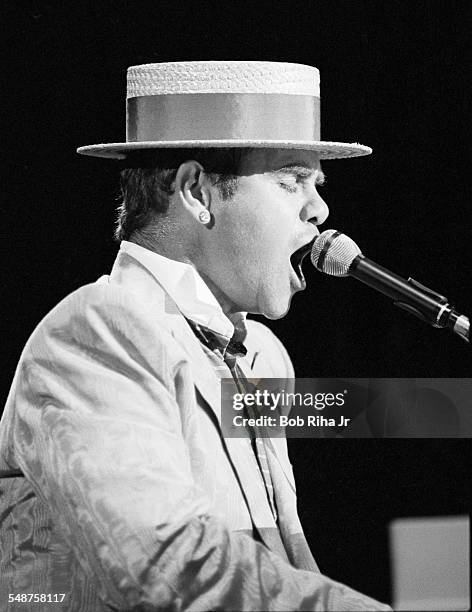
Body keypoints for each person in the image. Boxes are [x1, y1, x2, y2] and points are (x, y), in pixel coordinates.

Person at [0, 61, 391, 611]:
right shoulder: (98, 329)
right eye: (291, 181)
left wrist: (449, 406)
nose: (320, 210)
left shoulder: (261, 357)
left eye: (316, 184)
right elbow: (167, 565)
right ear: (196, 193)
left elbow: (365, 415)